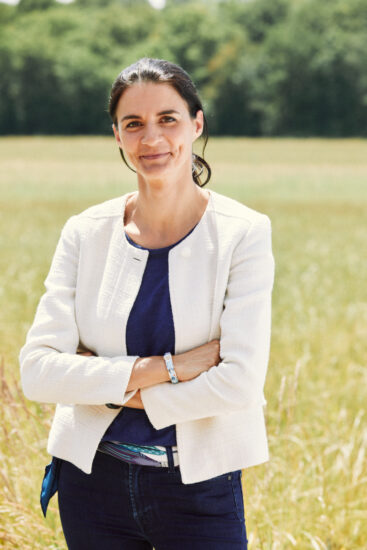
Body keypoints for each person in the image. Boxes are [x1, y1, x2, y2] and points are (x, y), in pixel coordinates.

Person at [19, 57, 275, 550]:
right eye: (133, 124)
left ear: (196, 124)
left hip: (198, 487)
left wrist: (107, 384)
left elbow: (239, 381)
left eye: (168, 119)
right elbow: (38, 371)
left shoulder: (243, 233)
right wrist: (173, 368)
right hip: (90, 482)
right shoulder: (84, 232)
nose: (151, 139)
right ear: (117, 135)